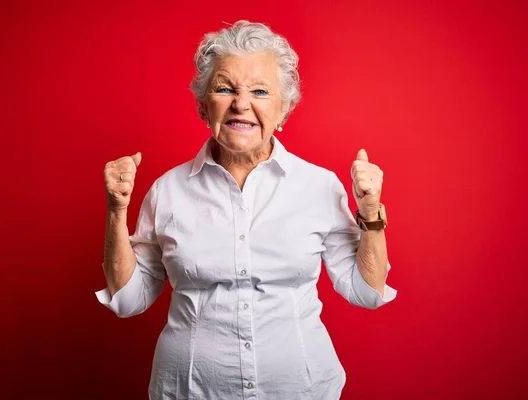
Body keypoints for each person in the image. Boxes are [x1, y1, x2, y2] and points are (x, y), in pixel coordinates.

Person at [95, 20, 397, 400]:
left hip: (302, 392)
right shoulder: (167, 192)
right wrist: (115, 211)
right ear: (204, 106)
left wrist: (370, 212)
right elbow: (127, 299)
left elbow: (366, 292)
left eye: (259, 91)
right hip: (188, 392)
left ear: (284, 108)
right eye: (225, 89)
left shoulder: (319, 187)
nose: (241, 104)